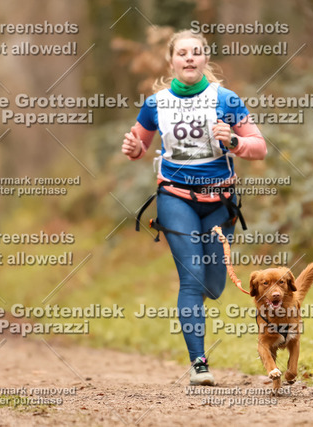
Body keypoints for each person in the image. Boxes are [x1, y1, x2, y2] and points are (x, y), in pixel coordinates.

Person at [121, 29, 267, 385]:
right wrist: (134, 149)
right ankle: (199, 364)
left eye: (196, 52)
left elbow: (259, 147)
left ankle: (198, 309)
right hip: (175, 198)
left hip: (219, 201)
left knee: (213, 286)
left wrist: (234, 141)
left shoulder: (226, 99)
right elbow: (139, 146)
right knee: (192, 279)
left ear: (205, 59)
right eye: (182, 52)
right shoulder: (156, 103)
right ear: (171, 60)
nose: (189, 58)